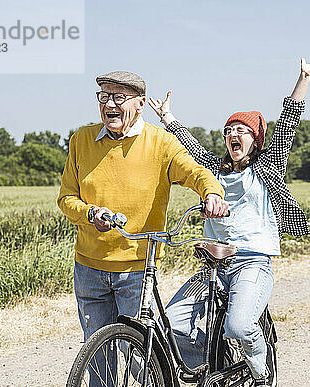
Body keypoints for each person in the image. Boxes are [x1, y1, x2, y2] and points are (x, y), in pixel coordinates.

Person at [149, 57, 310, 386]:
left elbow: (289, 122)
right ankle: (208, 371)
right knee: (171, 325)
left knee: (237, 326)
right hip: (213, 264)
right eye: (228, 130)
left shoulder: (268, 166)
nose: (232, 135)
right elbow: (187, 143)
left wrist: (304, 78)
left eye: (241, 130)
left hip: (252, 261)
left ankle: (261, 370)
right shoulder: (213, 167)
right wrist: (167, 117)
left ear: (255, 139)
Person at [57, 70, 229, 347]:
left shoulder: (161, 143)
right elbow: (66, 198)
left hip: (137, 269)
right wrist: (90, 213)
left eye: (118, 97)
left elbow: (195, 172)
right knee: (98, 356)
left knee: (141, 357)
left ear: (140, 103)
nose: (109, 104)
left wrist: (212, 193)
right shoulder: (81, 140)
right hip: (88, 268)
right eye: (104, 96)